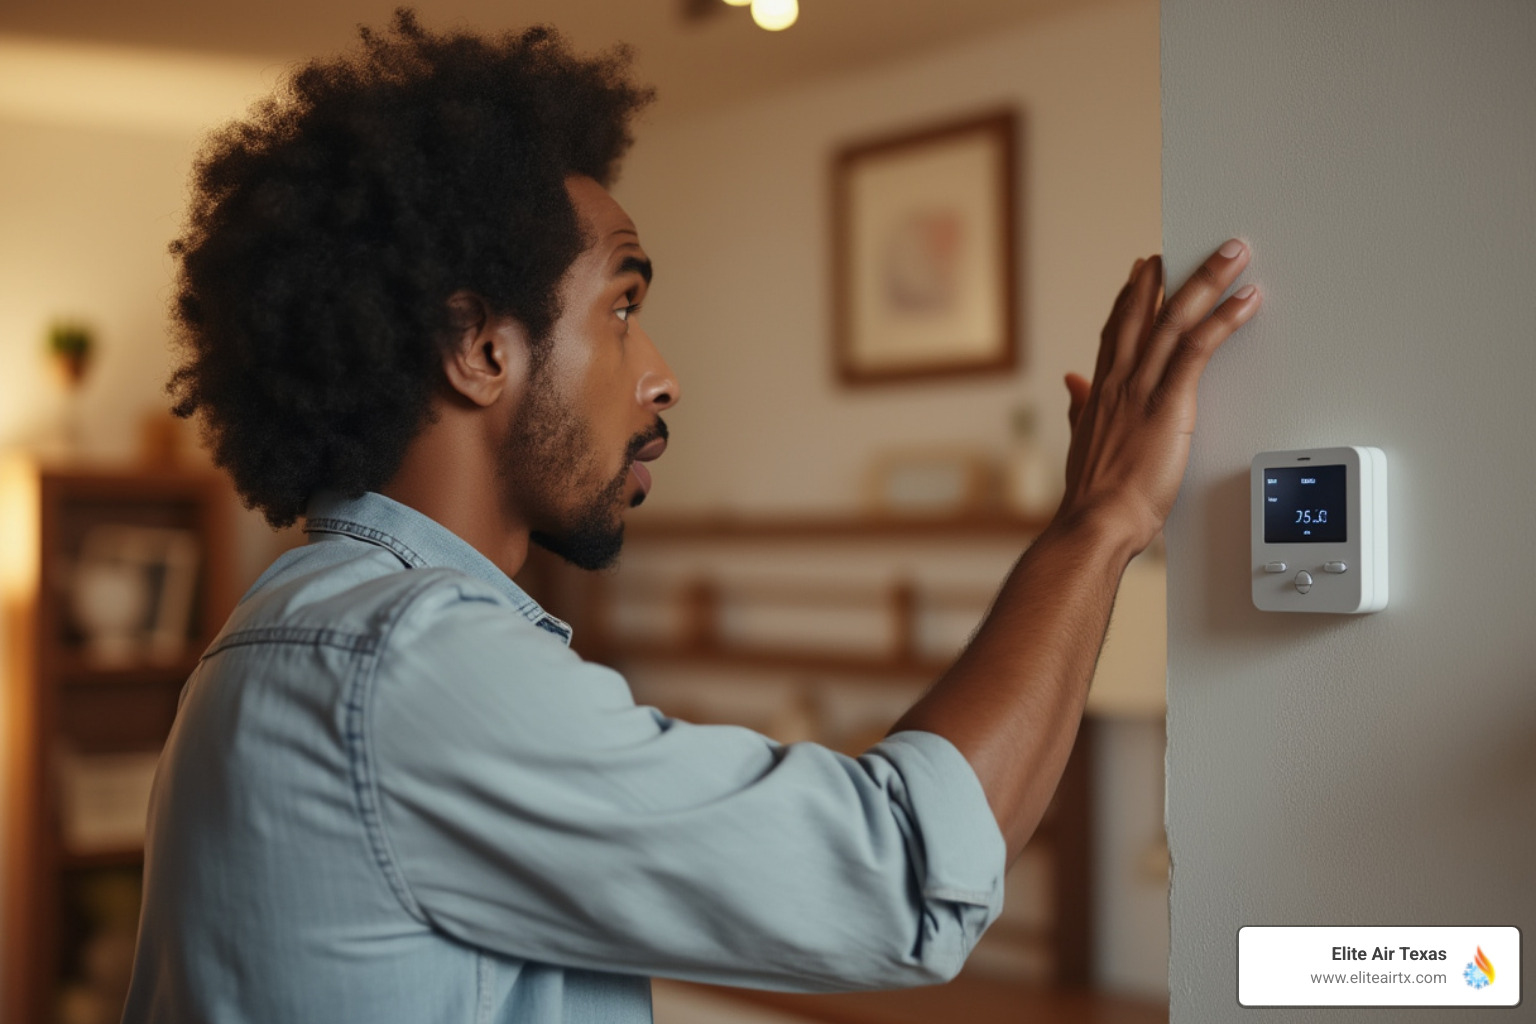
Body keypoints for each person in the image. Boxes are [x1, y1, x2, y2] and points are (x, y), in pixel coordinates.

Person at [123, 11, 1262, 1023]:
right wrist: (1102, 519)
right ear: (482, 350)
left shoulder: (284, 630)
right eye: (622, 305)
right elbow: (899, 877)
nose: (662, 375)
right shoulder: (407, 662)